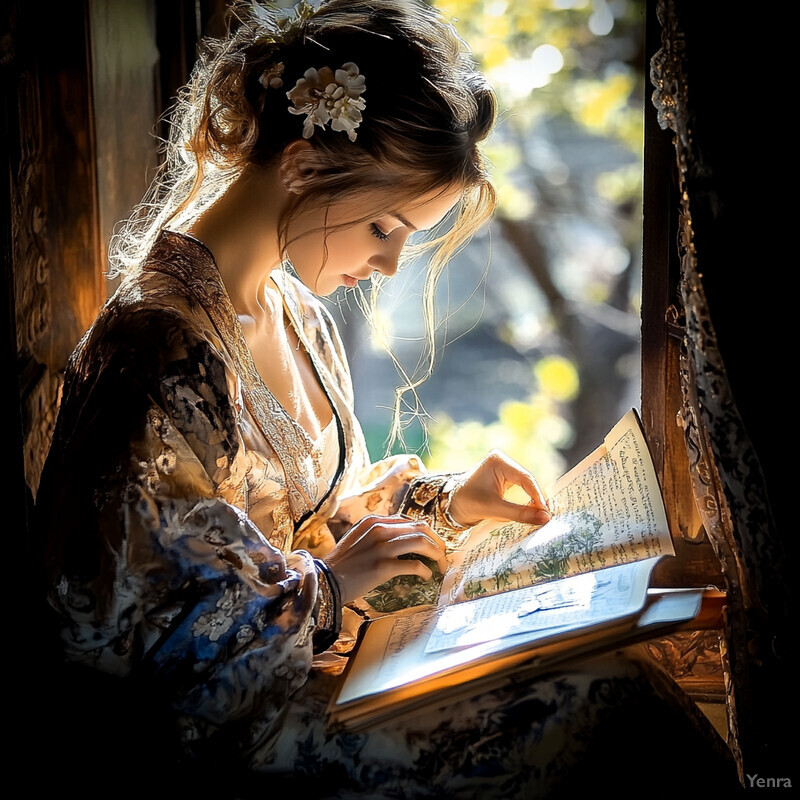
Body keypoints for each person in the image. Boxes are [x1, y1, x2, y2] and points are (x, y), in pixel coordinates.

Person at [34, 1, 741, 797]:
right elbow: (119, 642)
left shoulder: (292, 309)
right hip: (236, 735)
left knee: (623, 683)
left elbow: (315, 518)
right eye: (384, 229)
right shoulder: (156, 350)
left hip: (328, 674)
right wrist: (328, 589)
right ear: (301, 166)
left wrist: (443, 507)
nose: (392, 265)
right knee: (609, 713)